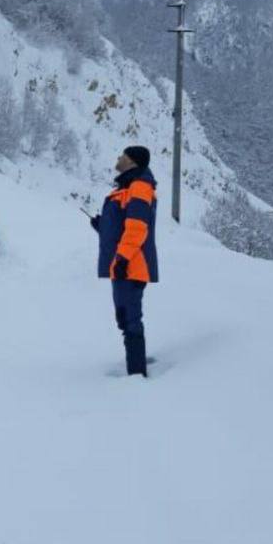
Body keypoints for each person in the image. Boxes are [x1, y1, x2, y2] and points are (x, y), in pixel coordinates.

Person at [90, 146, 159, 377]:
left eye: (123, 155)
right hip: (125, 264)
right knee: (125, 317)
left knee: (129, 318)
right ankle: (136, 367)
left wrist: (122, 259)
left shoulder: (139, 187)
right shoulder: (128, 187)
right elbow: (123, 226)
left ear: (132, 162)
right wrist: (103, 226)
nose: (118, 158)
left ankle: (137, 375)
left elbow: (138, 228)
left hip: (130, 265)